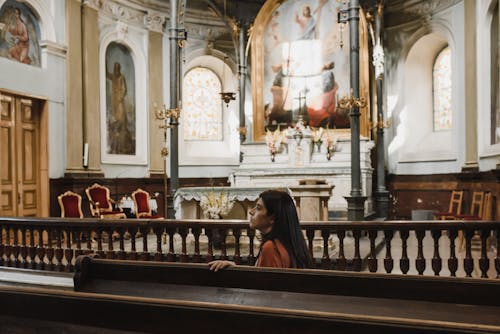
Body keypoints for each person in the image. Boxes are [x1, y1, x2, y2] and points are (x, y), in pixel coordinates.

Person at [208, 190, 312, 271]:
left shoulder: (271, 247)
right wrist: (235, 268)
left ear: (272, 218)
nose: (251, 212)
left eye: (258, 208)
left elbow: (262, 288)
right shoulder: (289, 242)